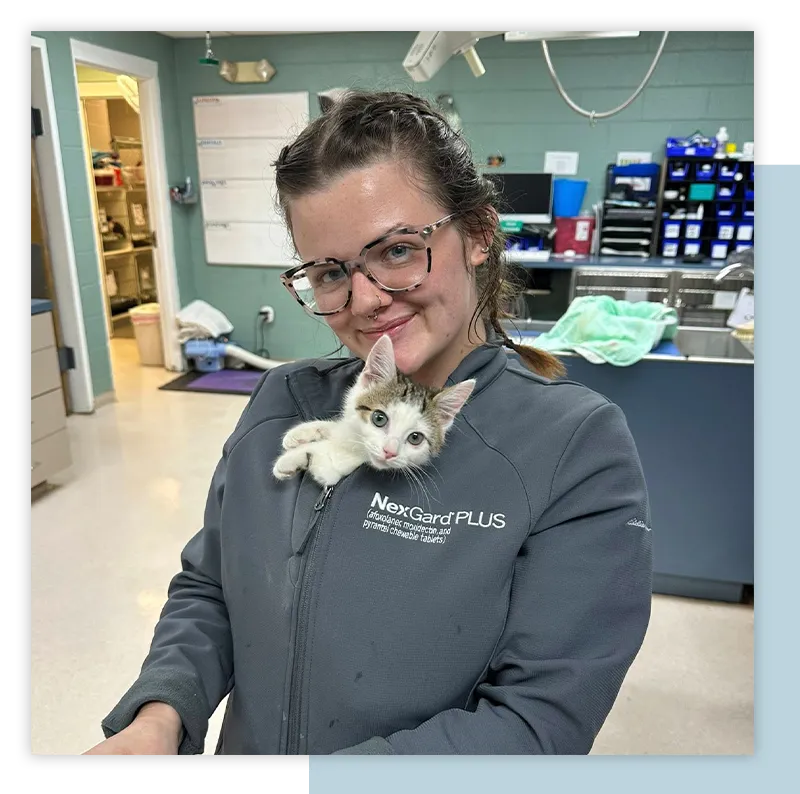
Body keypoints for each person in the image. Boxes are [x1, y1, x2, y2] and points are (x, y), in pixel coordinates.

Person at [86, 90, 652, 756]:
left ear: (477, 234)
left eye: (397, 251)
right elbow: (212, 588)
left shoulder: (573, 446)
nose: (365, 300)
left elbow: (537, 723)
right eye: (330, 273)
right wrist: (158, 717)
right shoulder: (282, 400)